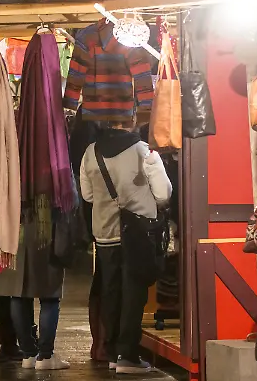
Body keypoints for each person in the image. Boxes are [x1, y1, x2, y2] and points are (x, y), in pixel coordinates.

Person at [79, 121, 172, 376]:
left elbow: (87, 195)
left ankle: (111, 352)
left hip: (104, 232)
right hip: (137, 234)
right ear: (131, 120)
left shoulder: (91, 151)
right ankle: (127, 354)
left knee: (110, 291)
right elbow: (163, 194)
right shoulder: (144, 150)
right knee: (134, 293)